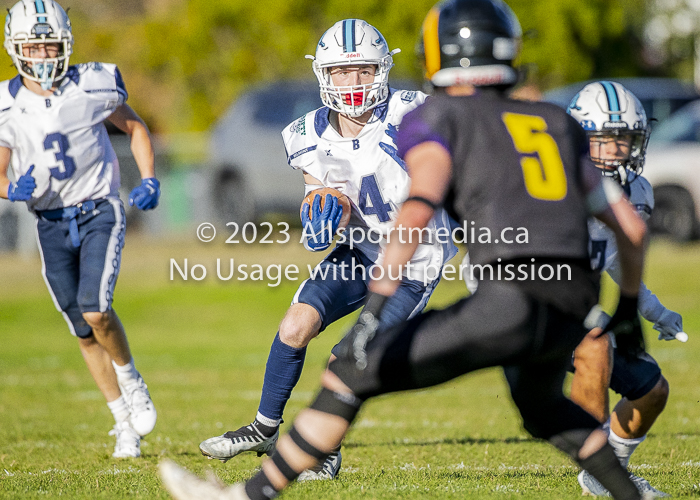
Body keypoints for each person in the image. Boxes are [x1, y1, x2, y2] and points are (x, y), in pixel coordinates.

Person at [160, 1, 653, 499]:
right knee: (543, 409)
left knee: (350, 371)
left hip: (503, 295)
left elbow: (417, 209)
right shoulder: (555, 120)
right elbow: (629, 228)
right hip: (571, 300)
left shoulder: (436, 115)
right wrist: (629, 310)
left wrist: (375, 307)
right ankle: (624, 492)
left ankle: (242, 496)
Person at [198, 18, 456, 480]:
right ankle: (263, 428)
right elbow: (320, 189)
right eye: (341, 71)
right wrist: (320, 208)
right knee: (295, 325)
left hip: (414, 261)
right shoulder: (306, 134)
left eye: (363, 70)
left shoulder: (412, 112)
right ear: (323, 75)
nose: (353, 82)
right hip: (360, 250)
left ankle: (326, 450)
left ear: (382, 71)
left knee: (345, 357)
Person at [0, 0, 158, 458]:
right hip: (48, 222)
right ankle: (122, 422)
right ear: (16, 48)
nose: (45, 55)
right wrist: (13, 190)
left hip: (97, 209)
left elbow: (135, 128)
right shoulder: (7, 103)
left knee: (95, 308)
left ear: (65, 45)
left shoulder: (91, 84)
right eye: (36, 46)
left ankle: (132, 380)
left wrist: (148, 178)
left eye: (51, 45)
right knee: (82, 331)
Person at [567, 81, 682, 498]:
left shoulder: (637, 191)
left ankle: (603, 472)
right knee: (595, 343)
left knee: (653, 389)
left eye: (626, 138)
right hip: (525, 297)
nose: (617, 149)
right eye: (604, 138)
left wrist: (655, 311)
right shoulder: (551, 184)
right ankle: (597, 463)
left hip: (576, 306)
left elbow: (616, 259)